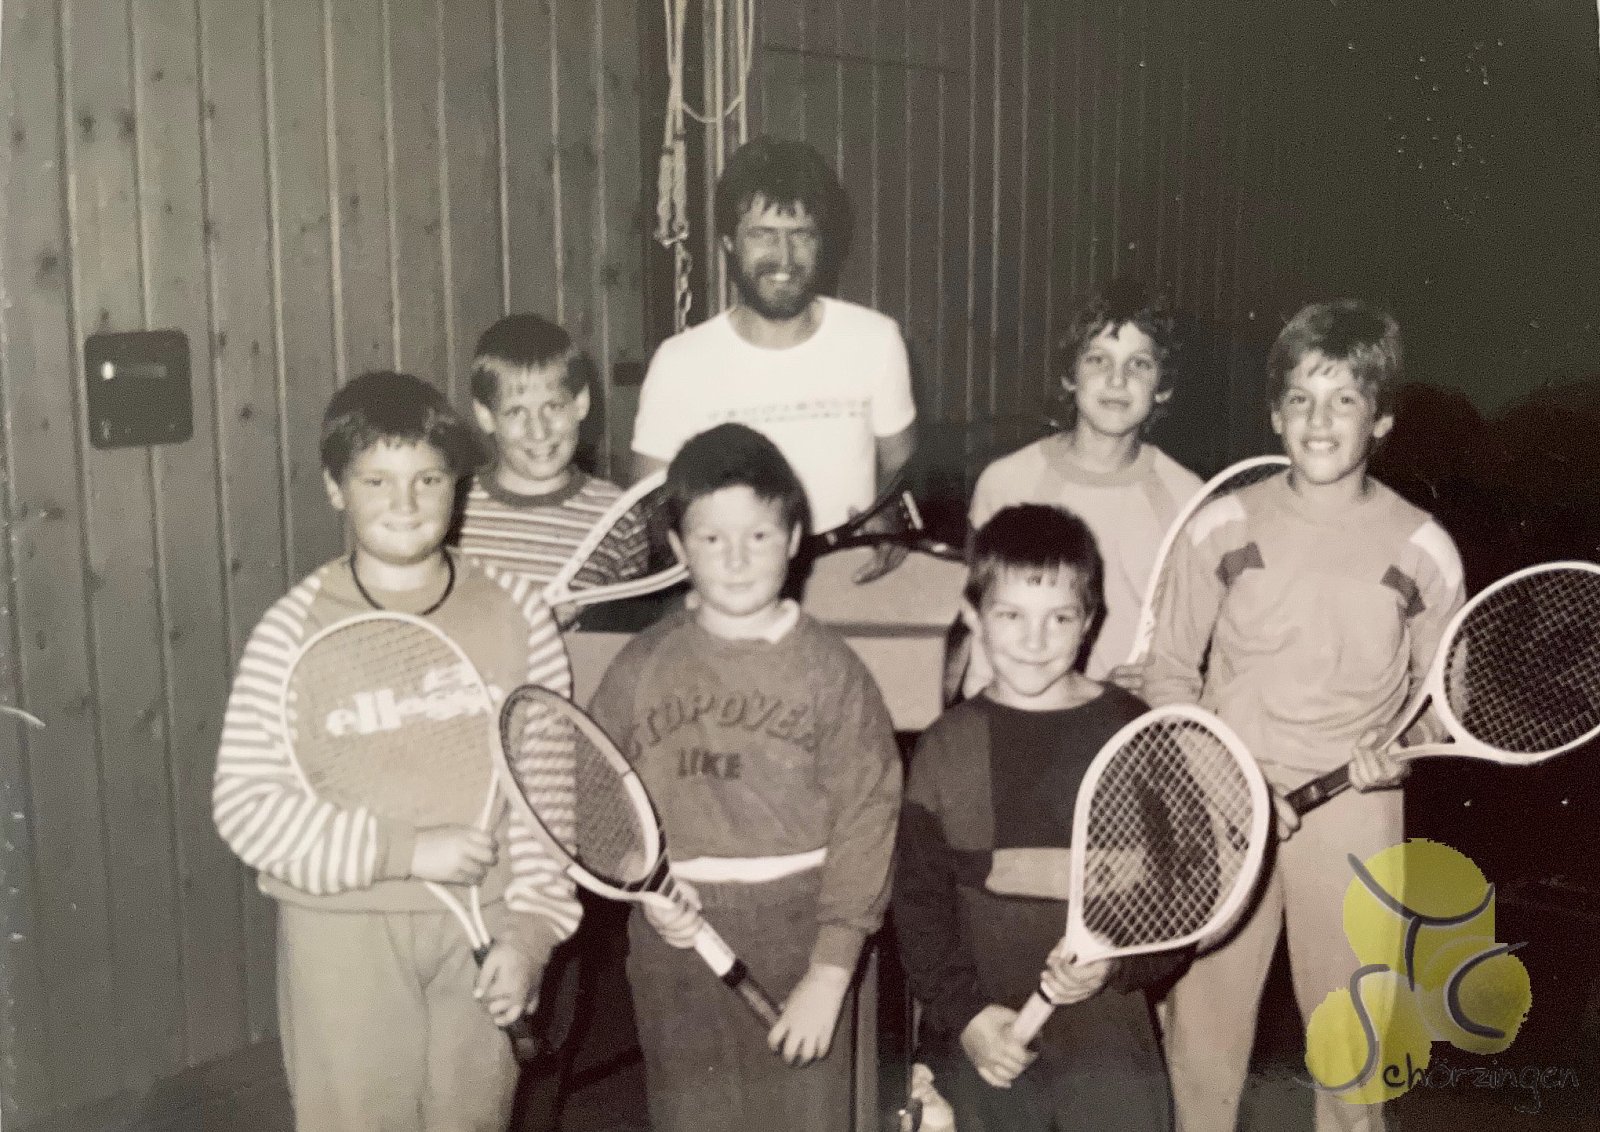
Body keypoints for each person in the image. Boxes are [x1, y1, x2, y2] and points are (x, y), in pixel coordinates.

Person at [212, 371, 579, 1132]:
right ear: (335, 489)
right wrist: (405, 850)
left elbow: (551, 793)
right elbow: (246, 807)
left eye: (428, 479)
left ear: (458, 486)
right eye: (376, 480)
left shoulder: (518, 610)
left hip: (485, 929)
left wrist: (531, 936)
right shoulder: (290, 629)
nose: (405, 503)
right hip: (344, 933)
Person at [1143, 300, 1466, 1132]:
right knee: (1200, 1053)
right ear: (1275, 413)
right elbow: (1169, 675)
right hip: (1224, 810)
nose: (1320, 421)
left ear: (1381, 418)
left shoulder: (1423, 546)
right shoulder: (1222, 524)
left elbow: (1444, 704)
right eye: (1300, 399)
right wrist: (1229, 781)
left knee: (1352, 1059)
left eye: (1345, 399)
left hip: (1355, 813)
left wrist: (1402, 746)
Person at [586, 423, 902, 1132]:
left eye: (758, 536)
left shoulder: (831, 671)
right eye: (711, 537)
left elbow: (869, 817)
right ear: (677, 548)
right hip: (674, 935)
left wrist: (832, 970)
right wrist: (636, 875)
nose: (735, 559)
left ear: (793, 540)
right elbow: (590, 792)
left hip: (804, 931)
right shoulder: (641, 665)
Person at [895, 503, 1183, 1132]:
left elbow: (1183, 889)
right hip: (986, 1046)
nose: (1035, 641)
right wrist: (967, 1018)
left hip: (1111, 1047)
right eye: (1011, 616)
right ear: (973, 617)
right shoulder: (946, 748)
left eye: (1059, 617)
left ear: (1090, 622)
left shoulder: (1135, 732)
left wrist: (1119, 964)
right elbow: (919, 909)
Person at [630, 135, 916, 537]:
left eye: (801, 234)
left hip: (850, 568)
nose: (784, 257)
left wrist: (889, 522)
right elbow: (650, 510)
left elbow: (901, 470)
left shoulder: (876, 341)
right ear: (729, 242)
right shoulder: (680, 363)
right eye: (763, 234)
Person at [965, 279, 1203, 689]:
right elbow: (983, 635)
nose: (1117, 380)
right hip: (1023, 707)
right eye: (1097, 360)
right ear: (1069, 376)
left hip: (1138, 718)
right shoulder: (1006, 483)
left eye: (1139, 365)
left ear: (1163, 387)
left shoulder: (1187, 497)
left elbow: (1193, 640)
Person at [459, 312, 641, 614]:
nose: (539, 431)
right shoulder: (454, 508)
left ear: (580, 403)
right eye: (516, 412)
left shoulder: (618, 514)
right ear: (486, 416)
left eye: (553, 406)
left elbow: (631, 624)